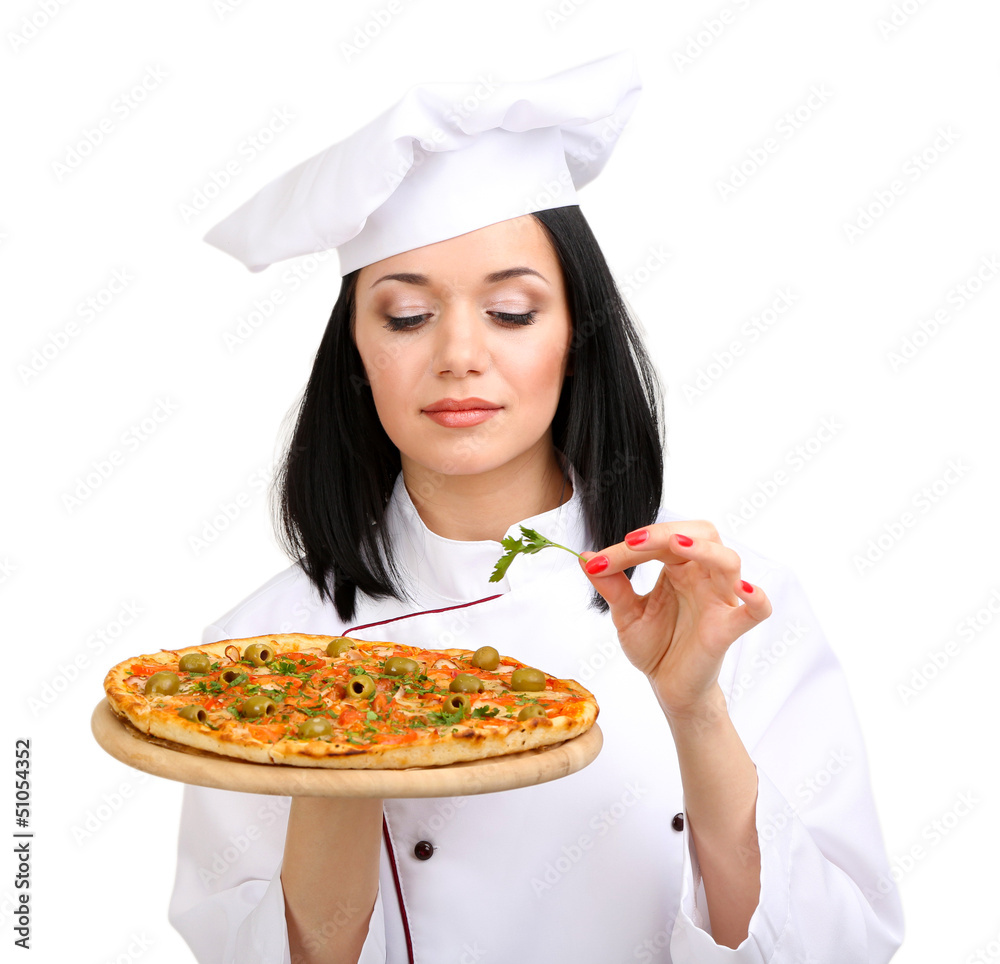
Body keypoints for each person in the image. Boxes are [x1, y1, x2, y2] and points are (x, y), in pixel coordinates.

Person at [167, 52, 904, 963]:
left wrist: (696, 707)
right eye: (405, 317)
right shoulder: (263, 656)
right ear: (355, 355)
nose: (459, 355)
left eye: (512, 311)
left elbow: (837, 949)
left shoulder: (730, 606)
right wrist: (338, 745)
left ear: (577, 334)